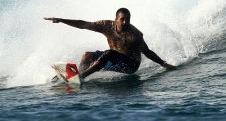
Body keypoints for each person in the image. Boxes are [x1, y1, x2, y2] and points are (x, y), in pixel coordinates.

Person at [44, 8, 176, 79]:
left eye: (127, 20)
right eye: (122, 19)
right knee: (87, 56)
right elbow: (83, 24)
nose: (125, 22)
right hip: (113, 59)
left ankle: (81, 77)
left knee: (109, 54)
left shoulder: (135, 35)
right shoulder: (106, 26)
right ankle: (76, 79)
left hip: (130, 65)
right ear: (116, 19)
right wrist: (61, 20)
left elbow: (147, 52)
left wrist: (164, 64)